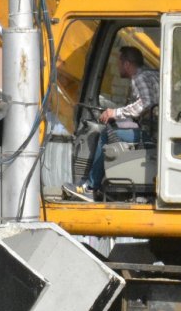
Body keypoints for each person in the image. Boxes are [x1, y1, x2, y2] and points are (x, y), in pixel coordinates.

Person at [65, 46, 159, 201]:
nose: (118, 66)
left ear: (127, 64)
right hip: (155, 131)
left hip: (149, 134)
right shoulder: (152, 74)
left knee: (108, 133)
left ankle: (90, 187)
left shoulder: (139, 78)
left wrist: (114, 113)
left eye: (119, 63)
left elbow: (146, 103)